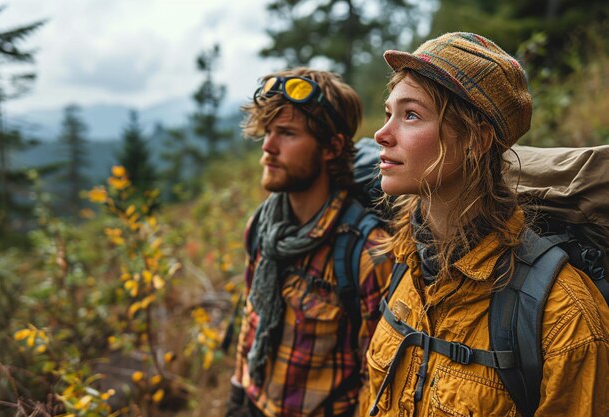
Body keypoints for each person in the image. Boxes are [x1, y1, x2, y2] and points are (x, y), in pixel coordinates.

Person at [364, 32, 609, 417]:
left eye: (411, 115)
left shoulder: (563, 315)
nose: (381, 134)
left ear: (476, 139)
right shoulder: (405, 263)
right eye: (388, 112)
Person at [227, 68, 394, 417]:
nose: (268, 147)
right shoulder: (263, 226)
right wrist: (239, 391)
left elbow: (376, 379)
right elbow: (252, 315)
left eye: (287, 134)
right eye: (268, 132)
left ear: (331, 147)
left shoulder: (366, 254)